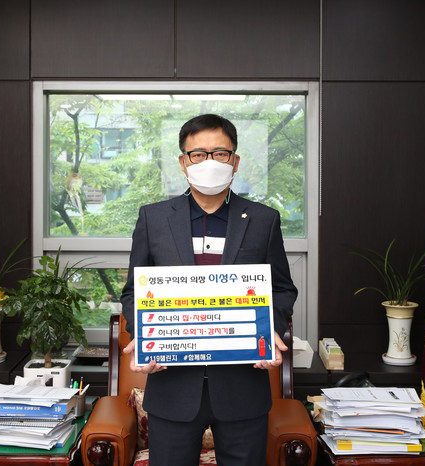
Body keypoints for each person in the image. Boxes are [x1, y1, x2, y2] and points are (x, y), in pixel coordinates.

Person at [120, 114, 298, 466]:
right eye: (199, 154)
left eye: (220, 153)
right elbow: (133, 293)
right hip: (172, 387)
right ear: (183, 162)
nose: (210, 162)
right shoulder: (153, 218)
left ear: (235, 160)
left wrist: (269, 330)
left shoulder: (263, 219)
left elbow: (281, 289)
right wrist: (145, 334)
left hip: (243, 386)